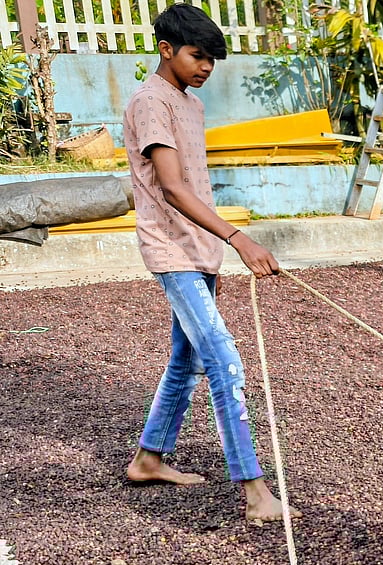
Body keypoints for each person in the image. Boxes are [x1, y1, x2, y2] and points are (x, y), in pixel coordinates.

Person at [122, 3, 295, 524]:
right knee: (224, 360)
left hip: (200, 249)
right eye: (198, 55)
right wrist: (240, 238)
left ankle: (149, 458)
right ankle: (255, 490)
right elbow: (172, 187)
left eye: (212, 59)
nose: (205, 67)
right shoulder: (151, 102)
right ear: (166, 49)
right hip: (172, 250)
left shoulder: (188, 103)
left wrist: (221, 243)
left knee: (189, 359)